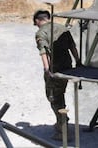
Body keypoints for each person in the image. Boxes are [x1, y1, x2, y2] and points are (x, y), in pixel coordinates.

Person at [33, 9, 81, 139]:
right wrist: (78, 62)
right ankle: (61, 120)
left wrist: (47, 70)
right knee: (60, 94)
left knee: (53, 97)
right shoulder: (63, 28)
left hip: (55, 69)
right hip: (67, 66)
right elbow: (72, 47)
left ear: (38, 21)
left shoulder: (41, 32)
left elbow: (43, 52)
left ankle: (63, 129)